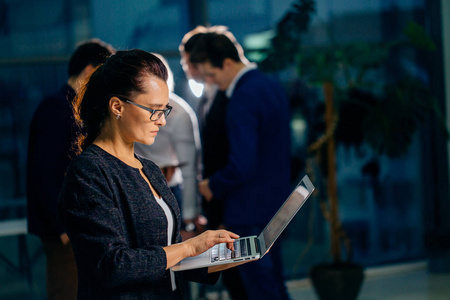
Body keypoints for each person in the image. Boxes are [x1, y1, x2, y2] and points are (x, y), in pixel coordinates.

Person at [57, 49, 241, 299]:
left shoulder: (149, 168)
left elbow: (169, 254)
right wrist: (188, 247)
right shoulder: (90, 172)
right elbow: (113, 265)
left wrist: (219, 256)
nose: (162, 121)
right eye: (154, 109)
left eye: (164, 110)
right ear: (117, 106)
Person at [191, 28, 292, 299]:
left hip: (249, 209)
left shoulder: (242, 96)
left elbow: (242, 163)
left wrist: (212, 185)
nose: (211, 82)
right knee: (274, 284)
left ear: (227, 63)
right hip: (276, 203)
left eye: (211, 75)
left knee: (260, 290)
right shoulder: (270, 85)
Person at [26, 38, 115, 300]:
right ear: (89, 71)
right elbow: (44, 172)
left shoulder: (74, 106)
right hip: (63, 227)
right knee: (66, 290)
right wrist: (62, 227)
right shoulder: (56, 107)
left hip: (74, 223)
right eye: (103, 73)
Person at [180, 26, 248, 300]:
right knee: (233, 277)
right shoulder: (208, 93)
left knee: (245, 279)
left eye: (188, 62)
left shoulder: (233, 93)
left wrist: (214, 187)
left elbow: (232, 153)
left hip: (230, 196)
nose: (187, 69)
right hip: (217, 197)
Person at [134, 53, 202, 241]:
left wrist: (189, 218)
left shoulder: (180, 113)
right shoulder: (132, 109)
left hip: (170, 187)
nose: (161, 120)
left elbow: (190, 169)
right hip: (137, 186)